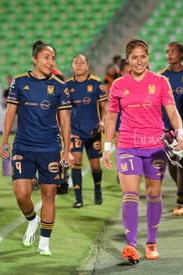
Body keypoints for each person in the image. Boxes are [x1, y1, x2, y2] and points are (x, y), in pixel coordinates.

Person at [103, 38, 183, 263]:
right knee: (130, 194)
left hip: (155, 147)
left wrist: (180, 135)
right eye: (134, 57)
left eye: (143, 56)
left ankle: (151, 241)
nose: (139, 61)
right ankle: (131, 246)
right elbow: (111, 118)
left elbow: (172, 111)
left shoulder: (160, 81)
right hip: (128, 145)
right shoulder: (118, 84)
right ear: (127, 60)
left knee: (153, 194)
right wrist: (107, 147)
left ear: (148, 57)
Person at [0, 40, 74, 256]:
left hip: (50, 146)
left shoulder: (60, 86)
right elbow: (10, 112)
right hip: (23, 144)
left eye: (53, 58)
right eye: (46, 57)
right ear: (34, 59)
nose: (51, 62)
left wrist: (66, 150)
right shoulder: (19, 83)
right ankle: (32, 219)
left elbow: (65, 122)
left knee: (48, 194)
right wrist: (5, 140)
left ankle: (44, 241)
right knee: (21, 194)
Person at [159, 41, 183, 216]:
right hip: (164, 129)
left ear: (181, 55)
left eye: (173, 51)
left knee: (181, 164)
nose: (169, 54)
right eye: (167, 51)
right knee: (171, 167)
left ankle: (180, 202)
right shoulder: (161, 76)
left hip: (182, 128)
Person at [66, 54, 108, 208]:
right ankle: (78, 199)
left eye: (81, 62)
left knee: (95, 165)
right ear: (72, 66)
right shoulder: (67, 86)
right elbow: (63, 110)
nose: (78, 65)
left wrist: (102, 122)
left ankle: (97, 189)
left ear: (87, 65)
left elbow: (105, 107)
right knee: (76, 162)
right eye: (75, 62)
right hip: (75, 131)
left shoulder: (96, 84)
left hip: (93, 132)